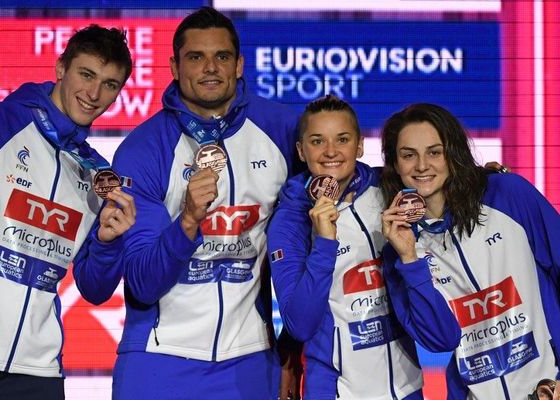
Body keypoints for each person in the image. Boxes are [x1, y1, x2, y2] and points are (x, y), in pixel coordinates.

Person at [110, 7, 300, 399]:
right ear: (175, 67)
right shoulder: (143, 149)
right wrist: (188, 222)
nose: (210, 68)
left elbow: (334, 203)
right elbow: (144, 284)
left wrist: (292, 348)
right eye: (196, 57)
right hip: (159, 358)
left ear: (240, 64)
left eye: (222, 57)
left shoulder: (282, 130)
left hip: (251, 359)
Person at [0, 25, 136, 400]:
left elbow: (94, 288)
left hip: (40, 370)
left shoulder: (98, 175)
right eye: (86, 74)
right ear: (61, 67)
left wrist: (107, 243)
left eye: (109, 84)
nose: (93, 94)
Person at [266, 95, 460, 399]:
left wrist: (489, 176)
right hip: (336, 390)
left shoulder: (390, 191)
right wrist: (324, 244)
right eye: (317, 141)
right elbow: (299, 325)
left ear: (359, 146)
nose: (331, 151)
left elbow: (441, 183)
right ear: (301, 151)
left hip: (410, 387)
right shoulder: (289, 223)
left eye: (342, 139)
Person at [380, 103, 560, 399]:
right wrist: (410, 261)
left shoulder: (508, 195)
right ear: (395, 165)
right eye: (408, 155)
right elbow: (439, 340)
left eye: (434, 152)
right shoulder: (399, 252)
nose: (422, 165)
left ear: (453, 154)